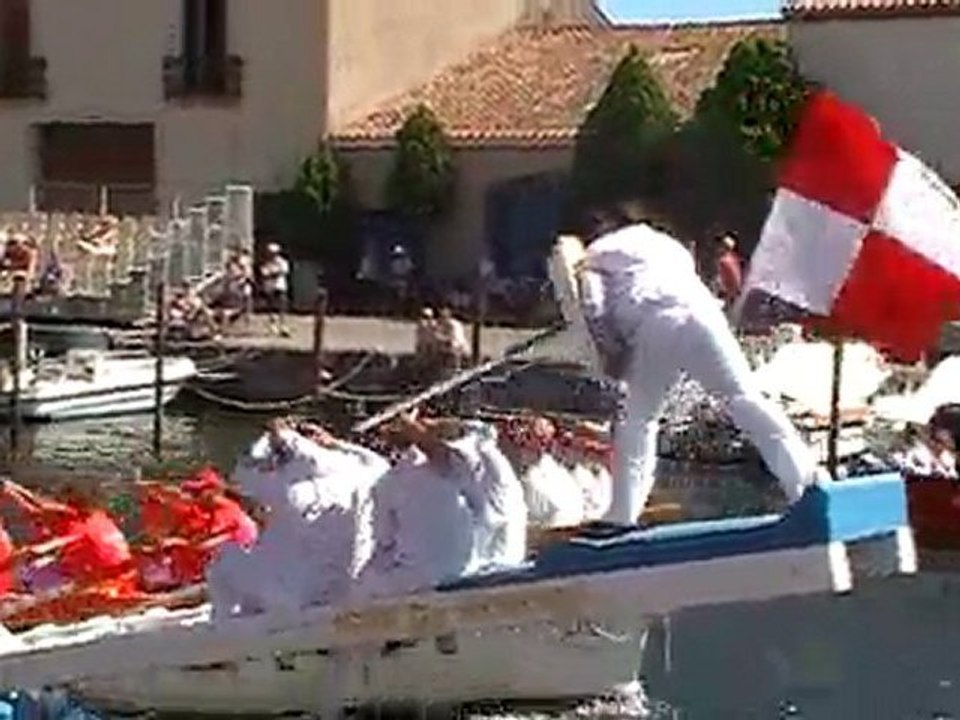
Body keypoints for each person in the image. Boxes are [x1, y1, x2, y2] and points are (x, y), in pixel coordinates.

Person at [575, 199, 822, 526]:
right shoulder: (667, 245)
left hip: (654, 325)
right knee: (744, 399)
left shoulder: (597, 253)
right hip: (703, 315)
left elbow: (592, 300)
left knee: (638, 420)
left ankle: (622, 515)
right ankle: (806, 481)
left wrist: (610, 349)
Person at [209, 418, 388, 618]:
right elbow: (376, 461)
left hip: (289, 596)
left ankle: (224, 624)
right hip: (344, 588)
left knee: (227, 555)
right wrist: (334, 443)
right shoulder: (368, 472)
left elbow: (242, 477)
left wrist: (277, 432)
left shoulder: (286, 489)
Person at [355, 413, 481, 599]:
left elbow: (384, 538)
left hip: (425, 577)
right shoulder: (451, 471)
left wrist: (408, 425)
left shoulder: (392, 481)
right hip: (461, 569)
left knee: (359, 587)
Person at [259, 243, 290, 337]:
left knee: (282, 307)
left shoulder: (282, 262)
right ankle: (273, 326)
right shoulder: (266, 263)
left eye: (273, 253)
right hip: (270, 287)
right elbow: (264, 273)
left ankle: (283, 326)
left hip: (280, 286)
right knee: (271, 308)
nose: (271, 254)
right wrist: (272, 272)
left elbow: (283, 271)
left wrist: (272, 272)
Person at [434, 306, 469, 373]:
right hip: (448, 348)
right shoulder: (441, 325)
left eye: (443, 317)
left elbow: (454, 339)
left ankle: (457, 369)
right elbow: (437, 336)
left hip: (459, 347)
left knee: (453, 350)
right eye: (440, 316)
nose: (441, 319)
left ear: (448, 317)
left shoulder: (454, 325)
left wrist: (441, 338)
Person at [714, 233, 743, 311]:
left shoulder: (726, 261)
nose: (719, 248)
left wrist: (727, 294)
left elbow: (734, 282)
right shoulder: (732, 259)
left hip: (729, 297)